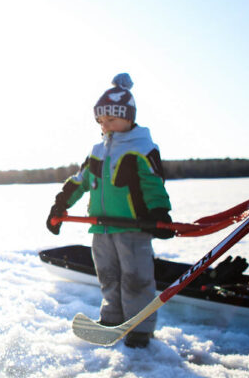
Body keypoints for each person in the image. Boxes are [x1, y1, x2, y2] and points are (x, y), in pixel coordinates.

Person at [46, 73, 172, 349]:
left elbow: (153, 184)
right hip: (101, 228)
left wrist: (160, 212)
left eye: (111, 120)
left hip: (132, 228)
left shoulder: (142, 148)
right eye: (101, 122)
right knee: (108, 276)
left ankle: (139, 328)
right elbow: (79, 181)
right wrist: (61, 205)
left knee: (136, 278)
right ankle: (113, 319)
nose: (106, 126)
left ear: (129, 118)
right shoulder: (97, 151)